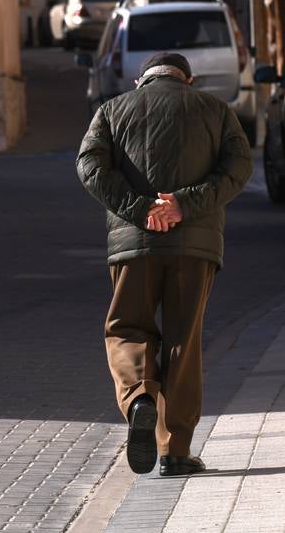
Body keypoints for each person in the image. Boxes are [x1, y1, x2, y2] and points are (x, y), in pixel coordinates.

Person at [77, 51, 251, 476]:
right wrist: (184, 205)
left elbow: (89, 166)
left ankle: (138, 398)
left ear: (142, 82)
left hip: (133, 245)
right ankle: (176, 450)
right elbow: (239, 166)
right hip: (195, 246)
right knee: (182, 341)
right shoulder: (215, 109)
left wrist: (140, 210)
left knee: (126, 328)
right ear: (187, 81)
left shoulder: (112, 111)